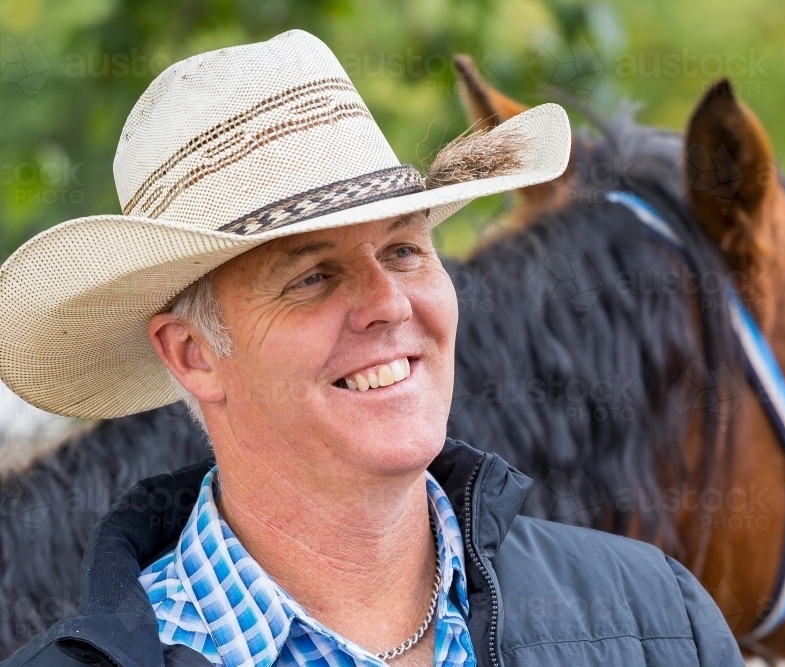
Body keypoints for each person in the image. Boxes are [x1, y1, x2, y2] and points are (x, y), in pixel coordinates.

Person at [0, 30, 742, 667]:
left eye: (406, 250)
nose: (389, 302)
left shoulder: (656, 623)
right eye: (313, 276)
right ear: (192, 353)